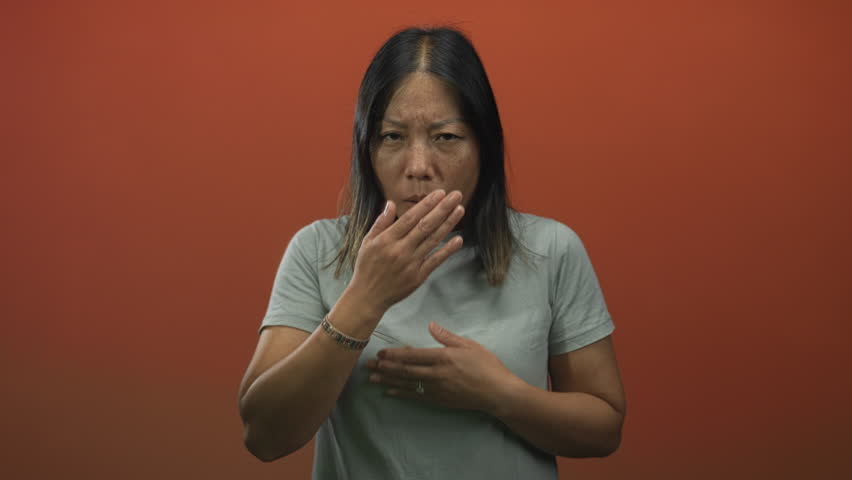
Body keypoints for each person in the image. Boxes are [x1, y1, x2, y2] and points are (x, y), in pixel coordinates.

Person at [237, 26, 626, 479]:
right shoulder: (316, 251)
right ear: (367, 149)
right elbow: (263, 434)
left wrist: (496, 393)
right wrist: (364, 299)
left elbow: (604, 429)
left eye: (445, 137)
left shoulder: (550, 249)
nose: (418, 167)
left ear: (485, 145)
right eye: (393, 137)